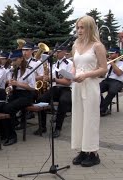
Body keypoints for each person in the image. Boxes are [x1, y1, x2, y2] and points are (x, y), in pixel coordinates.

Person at [71, 15, 107, 167]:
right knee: (78, 118)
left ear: (90, 28)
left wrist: (86, 75)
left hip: (91, 85)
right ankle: (82, 150)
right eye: (78, 27)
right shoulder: (75, 45)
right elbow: (74, 64)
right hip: (77, 86)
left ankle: (93, 153)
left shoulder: (97, 46)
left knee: (90, 119)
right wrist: (72, 74)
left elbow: (103, 69)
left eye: (82, 27)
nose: (79, 30)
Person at [33, 46, 73, 138]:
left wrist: (52, 79)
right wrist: (46, 77)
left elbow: (67, 82)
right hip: (55, 88)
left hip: (66, 89)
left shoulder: (69, 64)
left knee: (63, 101)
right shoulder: (54, 64)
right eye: (55, 52)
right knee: (40, 99)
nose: (56, 53)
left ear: (64, 52)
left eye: (58, 52)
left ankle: (58, 128)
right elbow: (50, 78)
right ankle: (42, 126)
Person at [0, 49, 36, 146]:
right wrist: (10, 87)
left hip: (27, 95)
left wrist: (18, 83)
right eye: (12, 60)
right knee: (2, 107)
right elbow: (12, 84)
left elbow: (32, 87)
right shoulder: (13, 69)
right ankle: (4, 134)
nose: (13, 62)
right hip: (16, 93)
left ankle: (12, 136)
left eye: (15, 60)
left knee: (9, 108)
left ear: (21, 58)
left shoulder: (29, 69)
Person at [99, 47, 123, 116]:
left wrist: (112, 63)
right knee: (96, 89)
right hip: (107, 80)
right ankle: (104, 107)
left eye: (112, 54)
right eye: (109, 53)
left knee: (112, 91)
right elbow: (103, 75)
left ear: (117, 54)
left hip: (117, 81)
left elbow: (119, 73)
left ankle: (102, 109)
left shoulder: (121, 63)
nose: (110, 55)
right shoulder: (108, 63)